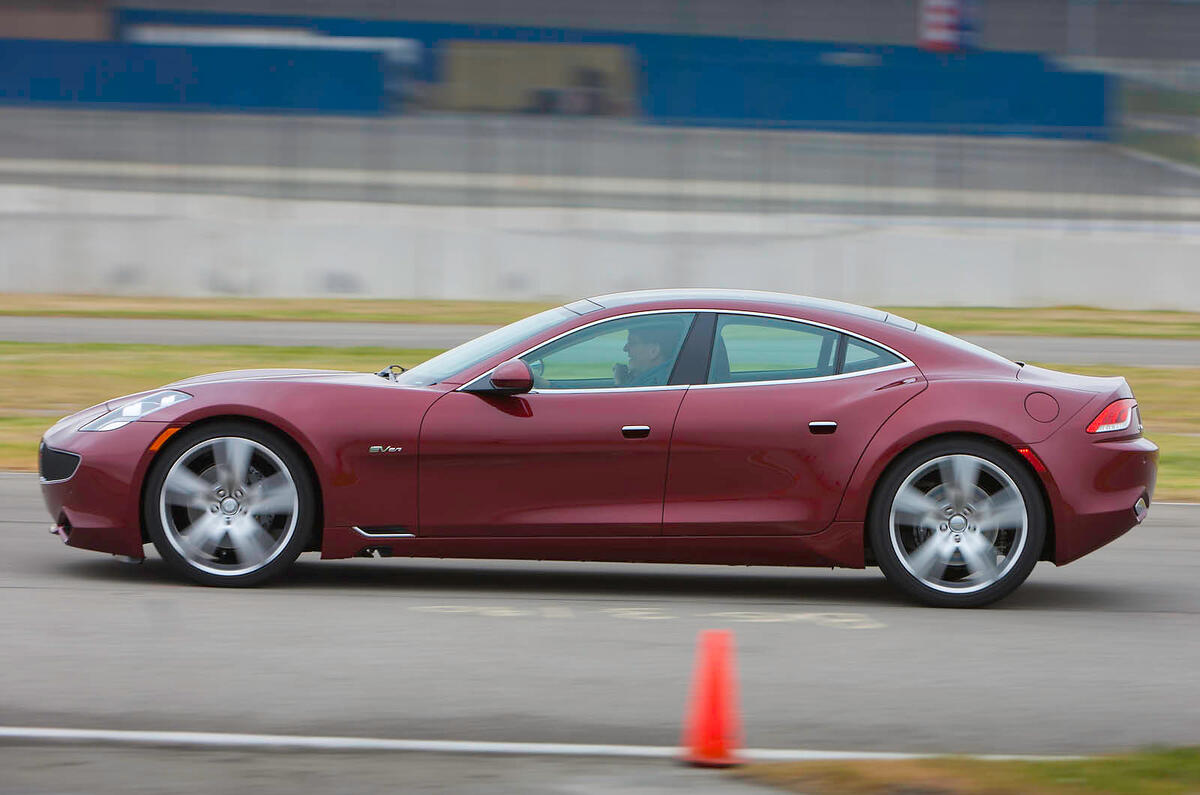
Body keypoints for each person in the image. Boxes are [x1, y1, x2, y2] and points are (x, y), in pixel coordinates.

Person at [613, 324, 680, 387]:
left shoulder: (655, 384)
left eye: (632, 343)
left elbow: (628, 399)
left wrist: (619, 383)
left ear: (653, 351)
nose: (625, 349)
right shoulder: (665, 377)